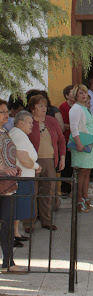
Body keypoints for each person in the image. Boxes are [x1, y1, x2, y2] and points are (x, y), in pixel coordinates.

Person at [23, 95, 66, 232]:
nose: (44, 108)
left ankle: (46, 221)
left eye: (45, 105)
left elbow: (61, 140)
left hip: (50, 161)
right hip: (32, 163)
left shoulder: (51, 121)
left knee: (48, 193)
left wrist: (62, 158)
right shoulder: (27, 121)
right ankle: (28, 223)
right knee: (31, 193)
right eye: (40, 105)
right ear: (32, 108)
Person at [0, 99, 26, 274]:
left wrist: (13, 166)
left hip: (7, 184)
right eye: (1, 112)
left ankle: (8, 262)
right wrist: (3, 168)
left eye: (6, 111)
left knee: (7, 223)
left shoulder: (3, 131)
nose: (6, 114)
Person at [9, 111, 41, 247]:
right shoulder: (19, 135)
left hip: (24, 177)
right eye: (29, 122)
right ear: (21, 122)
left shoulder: (18, 134)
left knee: (18, 209)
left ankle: (15, 233)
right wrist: (36, 165)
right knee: (16, 207)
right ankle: (10, 236)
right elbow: (23, 158)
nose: (32, 125)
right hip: (21, 179)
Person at [69, 84, 93, 213]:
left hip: (89, 144)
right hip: (82, 143)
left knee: (87, 172)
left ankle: (86, 198)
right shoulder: (76, 108)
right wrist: (79, 143)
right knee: (81, 173)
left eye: (85, 93)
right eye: (81, 93)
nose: (84, 95)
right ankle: (78, 200)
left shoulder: (85, 108)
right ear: (76, 95)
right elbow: (74, 127)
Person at [59, 85, 75, 197]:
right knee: (67, 165)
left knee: (76, 164)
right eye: (71, 93)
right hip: (67, 138)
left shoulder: (79, 106)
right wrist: (74, 126)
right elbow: (62, 125)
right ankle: (65, 190)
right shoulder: (63, 107)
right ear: (66, 96)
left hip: (77, 138)